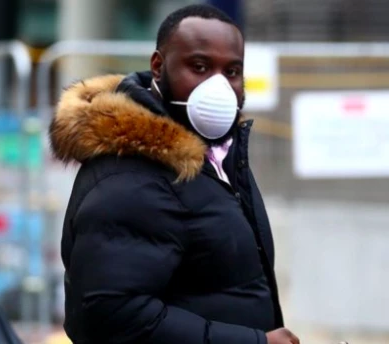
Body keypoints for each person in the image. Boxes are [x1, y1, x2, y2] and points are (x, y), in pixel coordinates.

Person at [50, 4, 299, 344]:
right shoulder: (130, 177)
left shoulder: (218, 157)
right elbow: (111, 318)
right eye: (199, 66)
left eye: (232, 71)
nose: (219, 88)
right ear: (158, 66)